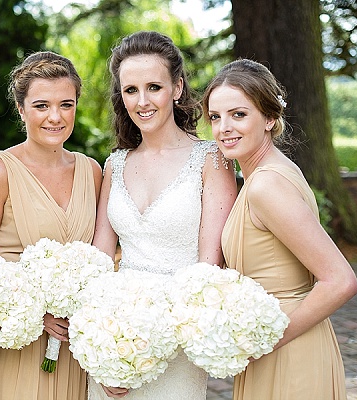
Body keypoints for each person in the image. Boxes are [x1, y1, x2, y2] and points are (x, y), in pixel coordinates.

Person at [90, 31, 238, 400]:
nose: (142, 102)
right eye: (130, 90)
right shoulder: (115, 164)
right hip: (114, 332)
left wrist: (155, 344)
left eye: (154, 87)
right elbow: (98, 260)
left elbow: (210, 267)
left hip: (180, 336)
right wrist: (104, 351)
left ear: (177, 88)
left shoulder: (211, 160)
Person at [202, 58, 357, 399]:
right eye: (216, 117)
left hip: (289, 351)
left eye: (239, 114)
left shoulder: (266, 186)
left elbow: (340, 280)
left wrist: (268, 341)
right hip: (277, 343)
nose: (224, 127)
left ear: (270, 118)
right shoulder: (268, 173)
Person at [0, 51, 103, 400]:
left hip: (74, 349)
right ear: (22, 108)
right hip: (17, 345)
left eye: (66, 104)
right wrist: (34, 313)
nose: (56, 117)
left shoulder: (92, 171)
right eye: (42, 105)